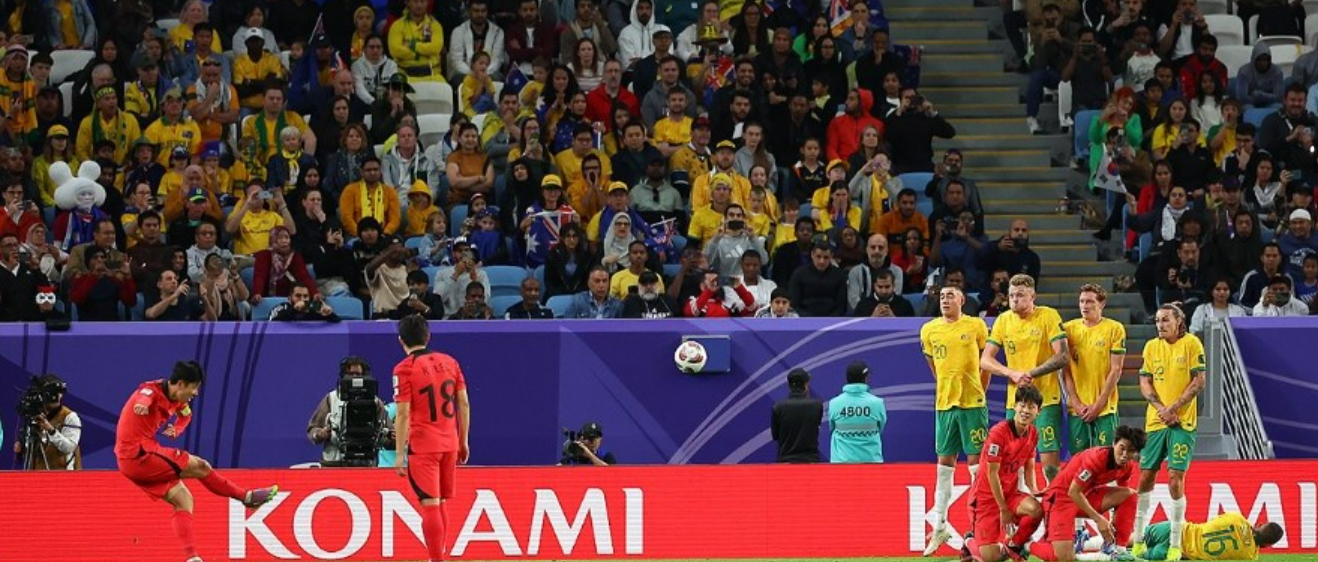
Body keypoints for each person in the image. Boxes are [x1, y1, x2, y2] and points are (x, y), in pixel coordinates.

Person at [115, 361, 278, 562]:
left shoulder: (177, 399)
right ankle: (246, 497)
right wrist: (142, 404)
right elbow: (144, 396)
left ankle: (192, 558)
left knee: (184, 500)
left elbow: (186, 416)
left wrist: (177, 429)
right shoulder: (150, 392)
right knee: (201, 466)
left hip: (135, 460)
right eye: (194, 387)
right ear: (181, 384)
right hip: (139, 455)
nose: (196, 393)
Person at [1126, 304, 1206, 562]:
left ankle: (1174, 544)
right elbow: (1144, 381)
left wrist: (1174, 408)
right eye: (1157, 320)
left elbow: (1199, 381)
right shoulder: (1151, 347)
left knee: (1174, 479)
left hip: (1182, 423)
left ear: (1178, 321)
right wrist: (1162, 409)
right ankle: (1138, 540)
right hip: (1156, 421)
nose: (1160, 325)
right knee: (1145, 477)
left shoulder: (1191, 343)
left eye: (1165, 320)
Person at [918, 284, 992, 556]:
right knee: (944, 465)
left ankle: (979, 526)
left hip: (972, 405)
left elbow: (986, 363)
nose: (945, 299)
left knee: (976, 467)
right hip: (944, 406)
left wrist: (979, 391)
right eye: (942, 296)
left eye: (951, 295)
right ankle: (939, 526)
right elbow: (934, 368)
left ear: (962, 300)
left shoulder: (976, 326)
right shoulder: (929, 330)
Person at [392, 315, 472, 562]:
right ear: (428, 336)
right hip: (449, 442)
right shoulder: (450, 362)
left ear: (401, 340)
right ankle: (439, 555)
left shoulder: (404, 368)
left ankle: (436, 559)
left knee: (430, 505)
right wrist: (463, 440)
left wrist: (399, 454)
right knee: (441, 503)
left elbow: (402, 413)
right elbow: (463, 403)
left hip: (424, 445)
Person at [980, 274, 1068, 483]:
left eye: (1020, 295)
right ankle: (1021, 498)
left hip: (1045, 399)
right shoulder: (1003, 320)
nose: (1014, 299)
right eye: (1011, 295)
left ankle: (1054, 499)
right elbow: (985, 360)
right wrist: (1011, 373)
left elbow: (1063, 355)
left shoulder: (1048, 316)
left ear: (1032, 296)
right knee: (1013, 458)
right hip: (1016, 400)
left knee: (1050, 465)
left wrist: (1032, 373)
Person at [1013, 426, 1146, 562]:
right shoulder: (1096, 458)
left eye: (1130, 451)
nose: (1124, 455)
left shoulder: (1127, 467)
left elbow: (1123, 494)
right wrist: (1099, 519)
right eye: (1122, 448)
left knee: (1130, 495)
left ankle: (1118, 551)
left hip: (1085, 494)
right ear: (1114, 444)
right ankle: (1026, 545)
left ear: (1136, 453)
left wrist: (1116, 522)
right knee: (1064, 558)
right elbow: (1073, 492)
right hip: (1060, 498)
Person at [959, 384, 1043, 562]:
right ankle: (969, 541)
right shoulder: (998, 433)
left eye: (1031, 407)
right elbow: (992, 474)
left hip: (1010, 493)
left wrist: (1034, 490)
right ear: (1014, 407)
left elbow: (1029, 467)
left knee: (1036, 510)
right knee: (992, 558)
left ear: (1038, 411)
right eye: (1022, 405)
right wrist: (1003, 509)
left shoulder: (1033, 434)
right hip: (985, 499)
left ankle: (1015, 545)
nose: (1025, 411)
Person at [1062, 284, 1127, 454]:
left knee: (1106, 457)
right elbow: (1065, 370)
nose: (1085, 306)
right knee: (1079, 458)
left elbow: (1116, 370)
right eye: (1082, 301)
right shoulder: (1068, 329)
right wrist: (1076, 403)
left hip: (1105, 408)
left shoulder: (1115, 329)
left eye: (1090, 301)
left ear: (1102, 304)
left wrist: (1099, 405)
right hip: (1077, 408)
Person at [307, 357, 390, 466]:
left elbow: (389, 435)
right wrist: (320, 434)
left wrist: (389, 438)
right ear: (343, 375)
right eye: (350, 374)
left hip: (365, 463)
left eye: (358, 374)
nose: (354, 378)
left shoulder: (375, 402)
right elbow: (313, 428)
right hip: (334, 463)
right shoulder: (331, 398)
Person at [1137, 512, 1284, 561]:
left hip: (1177, 530)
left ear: (1259, 525)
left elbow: (1212, 522)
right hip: (1176, 553)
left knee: (1133, 539)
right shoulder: (1249, 555)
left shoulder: (1237, 519)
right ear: (1267, 545)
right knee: (1134, 557)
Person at [13, 374, 80, 470]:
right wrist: (21, 447)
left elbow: (69, 448)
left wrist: (51, 430)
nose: (58, 396)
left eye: (59, 393)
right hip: (36, 474)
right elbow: (25, 451)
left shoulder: (69, 416)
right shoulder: (34, 416)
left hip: (62, 475)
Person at [827, 362, 887, 463]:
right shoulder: (877, 403)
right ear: (866, 378)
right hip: (871, 461)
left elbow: (832, 428)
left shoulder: (834, 403)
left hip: (841, 463)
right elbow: (880, 428)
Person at [770, 368, 823, 463]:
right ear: (805, 385)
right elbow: (816, 429)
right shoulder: (817, 405)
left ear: (789, 385)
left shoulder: (778, 407)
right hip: (811, 461)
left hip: (785, 461)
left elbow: (775, 436)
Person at [788, 240, 847, 317]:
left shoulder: (839, 275)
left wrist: (830, 320)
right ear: (812, 255)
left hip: (832, 320)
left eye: (826, 257)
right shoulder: (799, 274)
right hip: (804, 319)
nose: (822, 261)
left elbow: (841, 306)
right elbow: (794, 304)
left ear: (831, 256)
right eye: (818, 257)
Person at [269, 284, 340, 321]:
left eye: (305, 296)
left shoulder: (314, 308)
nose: (302, 299)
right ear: (289, 298)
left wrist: (329, 314)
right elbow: (272, 322)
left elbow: (336, 322)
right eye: (298, 296)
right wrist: (295, 310)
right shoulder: (282, 307)